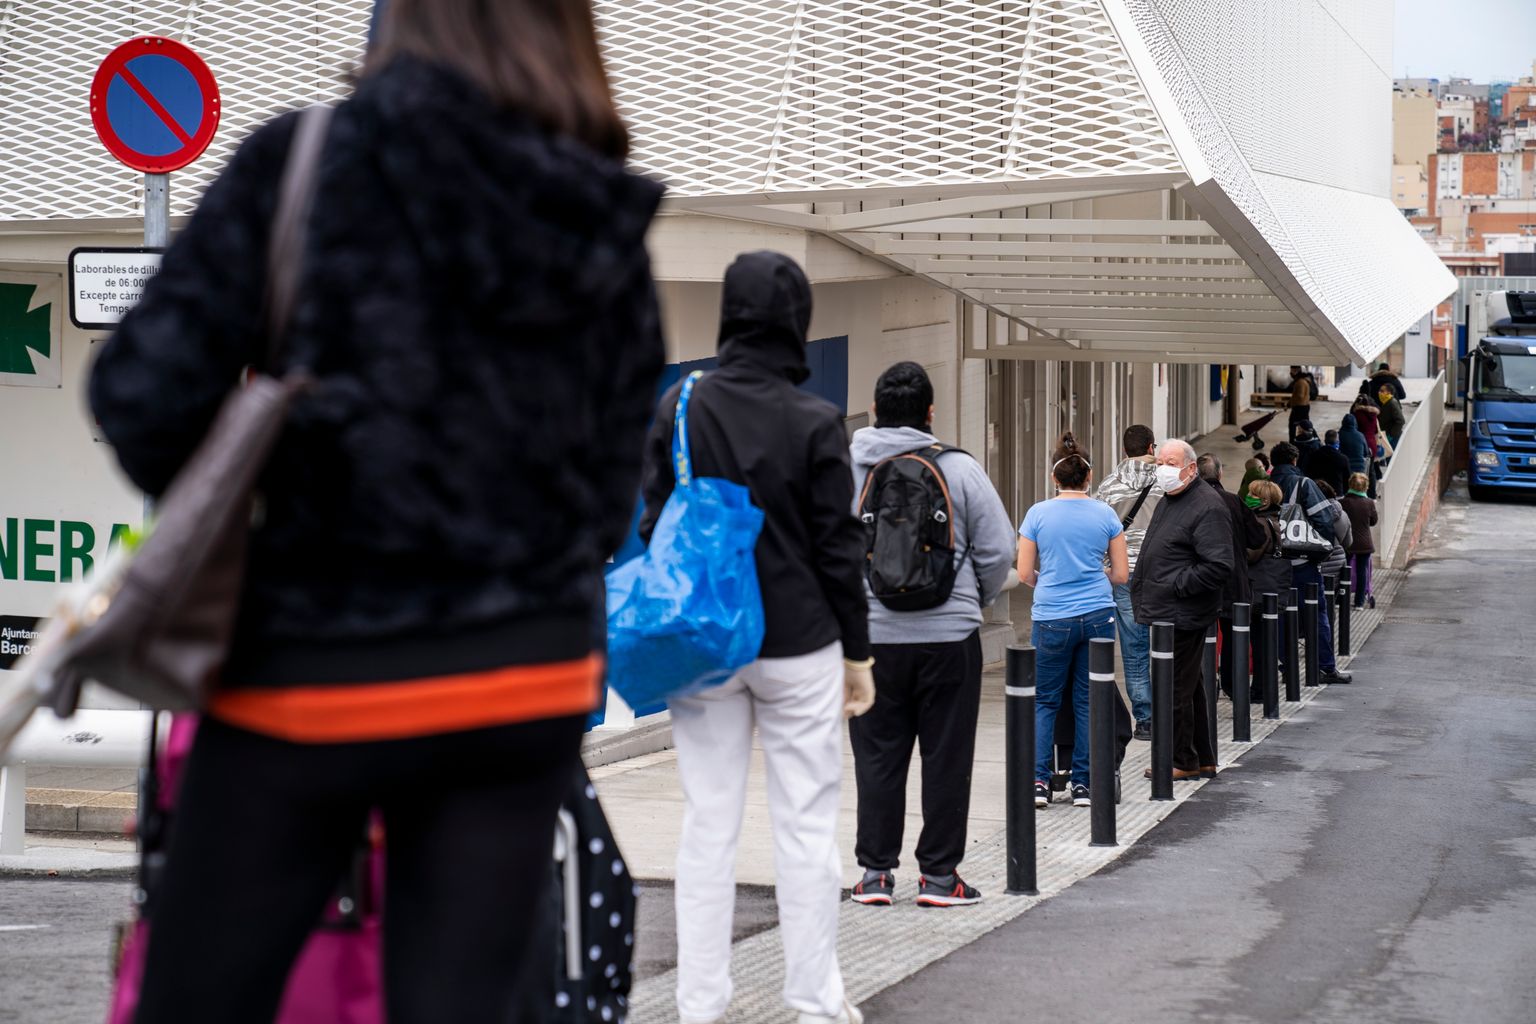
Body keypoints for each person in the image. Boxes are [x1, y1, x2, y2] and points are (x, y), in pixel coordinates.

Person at [87, 3, 666, 1020]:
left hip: (315, 667)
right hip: (521, 683)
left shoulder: (306, 161)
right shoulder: (597, 212)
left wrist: (282, 490)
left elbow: (141, 394)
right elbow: (615, 494)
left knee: (198, 994)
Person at [639, 251, 871, 1024]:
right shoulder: (814, 420)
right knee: (806, 824)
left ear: (729, 317)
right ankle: (815, 1003)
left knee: (708, 822)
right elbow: (840, 547)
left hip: (705, 640)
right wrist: (858, 652)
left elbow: (651, 520)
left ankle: (699, 1006)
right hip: (799, 640)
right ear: (797, 322)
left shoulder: (682, 403)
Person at [847, 363, 1016, 910]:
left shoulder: (847, 470)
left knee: (877, 757)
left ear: (873, 411)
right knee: (947, 755)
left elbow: (823, 549)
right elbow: (997, 551)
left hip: (871, 639)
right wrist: (970, 601)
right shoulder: (959, 469)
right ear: (930, 414)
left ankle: (874, 875)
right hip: (949, 638)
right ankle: (940, 878)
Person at [1018, 434, 1129, 807]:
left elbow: (1023, 573)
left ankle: (1038, 781)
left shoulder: (1037, 514)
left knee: (1044, 701)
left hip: (1051, 617)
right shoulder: (1105, 514)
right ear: (1089, 476)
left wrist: (1044, 581)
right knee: (1087, 701)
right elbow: (1121, 574)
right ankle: (1083, 783)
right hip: (1098, 615)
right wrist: (1096, 579)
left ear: (1054, 478)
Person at [1131, 440, 1231, 780]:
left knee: (1173, 688)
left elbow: (1219, 565)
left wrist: (1177, 584)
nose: (1162, 468)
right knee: (1190, 687)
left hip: (1181, 611)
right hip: (1166, 608)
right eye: (1159, 461)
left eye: (1170, 462)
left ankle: (1180, 760)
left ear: (1190, 468)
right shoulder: (1173, 498)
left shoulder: (1206, 505)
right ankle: (1201, 757)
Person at [1093, 423, 1163, 739]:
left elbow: (1097, 530)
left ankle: (1145, 718)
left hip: (1124, 573)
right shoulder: (1167, 481)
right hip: (1162, 571)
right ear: (1152, 447)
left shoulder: (1108, 486)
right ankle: (1171, 707)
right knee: (1169, 643)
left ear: (1125, 450)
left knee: (1134, 646)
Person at [1270, 443, 1352, 685]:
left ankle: (1287, 668)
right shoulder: (1304, 484)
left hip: (1273, 566)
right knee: (1316, 615)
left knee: (1280, 616)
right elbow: (1324, 520)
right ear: (1295, 460)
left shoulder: (1260, 486)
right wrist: (1319, 554)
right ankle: (1324, 668)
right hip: (1303, 563)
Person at [1196, 454, 1265, 699]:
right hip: (1232, 581)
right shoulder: (1234, 502)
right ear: (1220, 474)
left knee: (1199, 636)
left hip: (1199, 582)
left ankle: (1204, 686)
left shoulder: (1189, 502)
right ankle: (1232, 685)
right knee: (1234, 634)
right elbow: (1258, 537)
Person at [1244, 481, 1293, 604]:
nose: (1248, 495)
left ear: (1265, 501)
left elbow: (1250, 555)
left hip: (1257, 589)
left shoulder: (1260, 523)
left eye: (1253, 494)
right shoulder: (1273, 519)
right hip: (1269, 589)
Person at [1341, 473, 1379, 609]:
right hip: (1364, 543)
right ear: (1365, 487)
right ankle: (1359, 603)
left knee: (1343, 569)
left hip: (1347, 542)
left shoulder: (1343, 502)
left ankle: (1340, 599)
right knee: (1362, 571)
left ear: (1350, 484)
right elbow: (1374, 521)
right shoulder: (1369, 503)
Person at [1301, 428, 1350, 499]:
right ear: (1337, 441)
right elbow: (1347, 479)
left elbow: (1309, 473)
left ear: (1325, 440)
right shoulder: (1343, 458)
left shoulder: (1315, 455)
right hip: (1337, 493)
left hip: (1318, 493)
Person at [1287, 366, 1315, 442]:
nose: (1291, 373)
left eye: (1292, 371)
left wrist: (1292, 403)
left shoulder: (1301, 382)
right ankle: (1308, 438)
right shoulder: (1301, 380)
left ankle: (1292, 442)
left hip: (1300, 407)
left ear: (1297, 371)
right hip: (1302, 407)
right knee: (1304, 424)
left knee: (1293, 425)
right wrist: (1290, 403)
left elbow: (1300, 396)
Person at [1377, 386, 1407, 452]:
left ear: (1388, 392)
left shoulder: (1392, 403)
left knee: (1390, 457)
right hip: (1387, 436)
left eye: (1382, 391)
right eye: (1379, 391)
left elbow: (1401, 421)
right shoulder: (1386, 402)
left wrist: (1391, 435)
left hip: (1393, 437)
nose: (1379, 393)